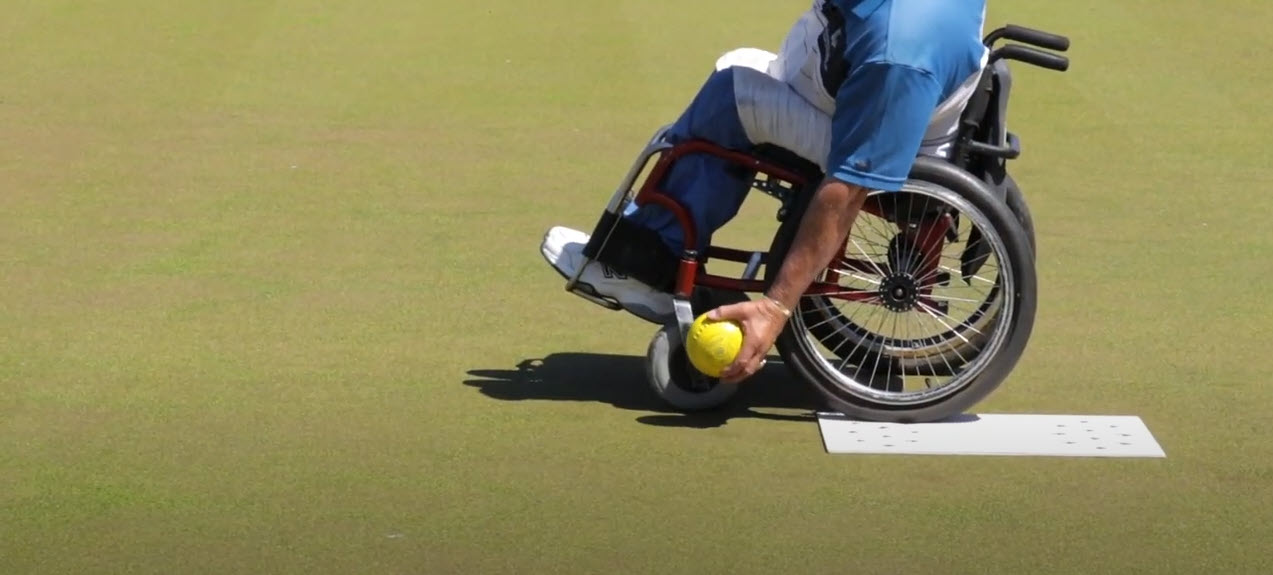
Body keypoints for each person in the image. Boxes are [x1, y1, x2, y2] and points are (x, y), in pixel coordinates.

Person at [541, 0, 990, 385]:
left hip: (888, 144)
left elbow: (850, 187)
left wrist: (776, 307)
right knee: (738, 66)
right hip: (869, 96)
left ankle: (651, 262)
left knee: (734, 94)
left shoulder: (897, 50)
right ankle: (662, 241)